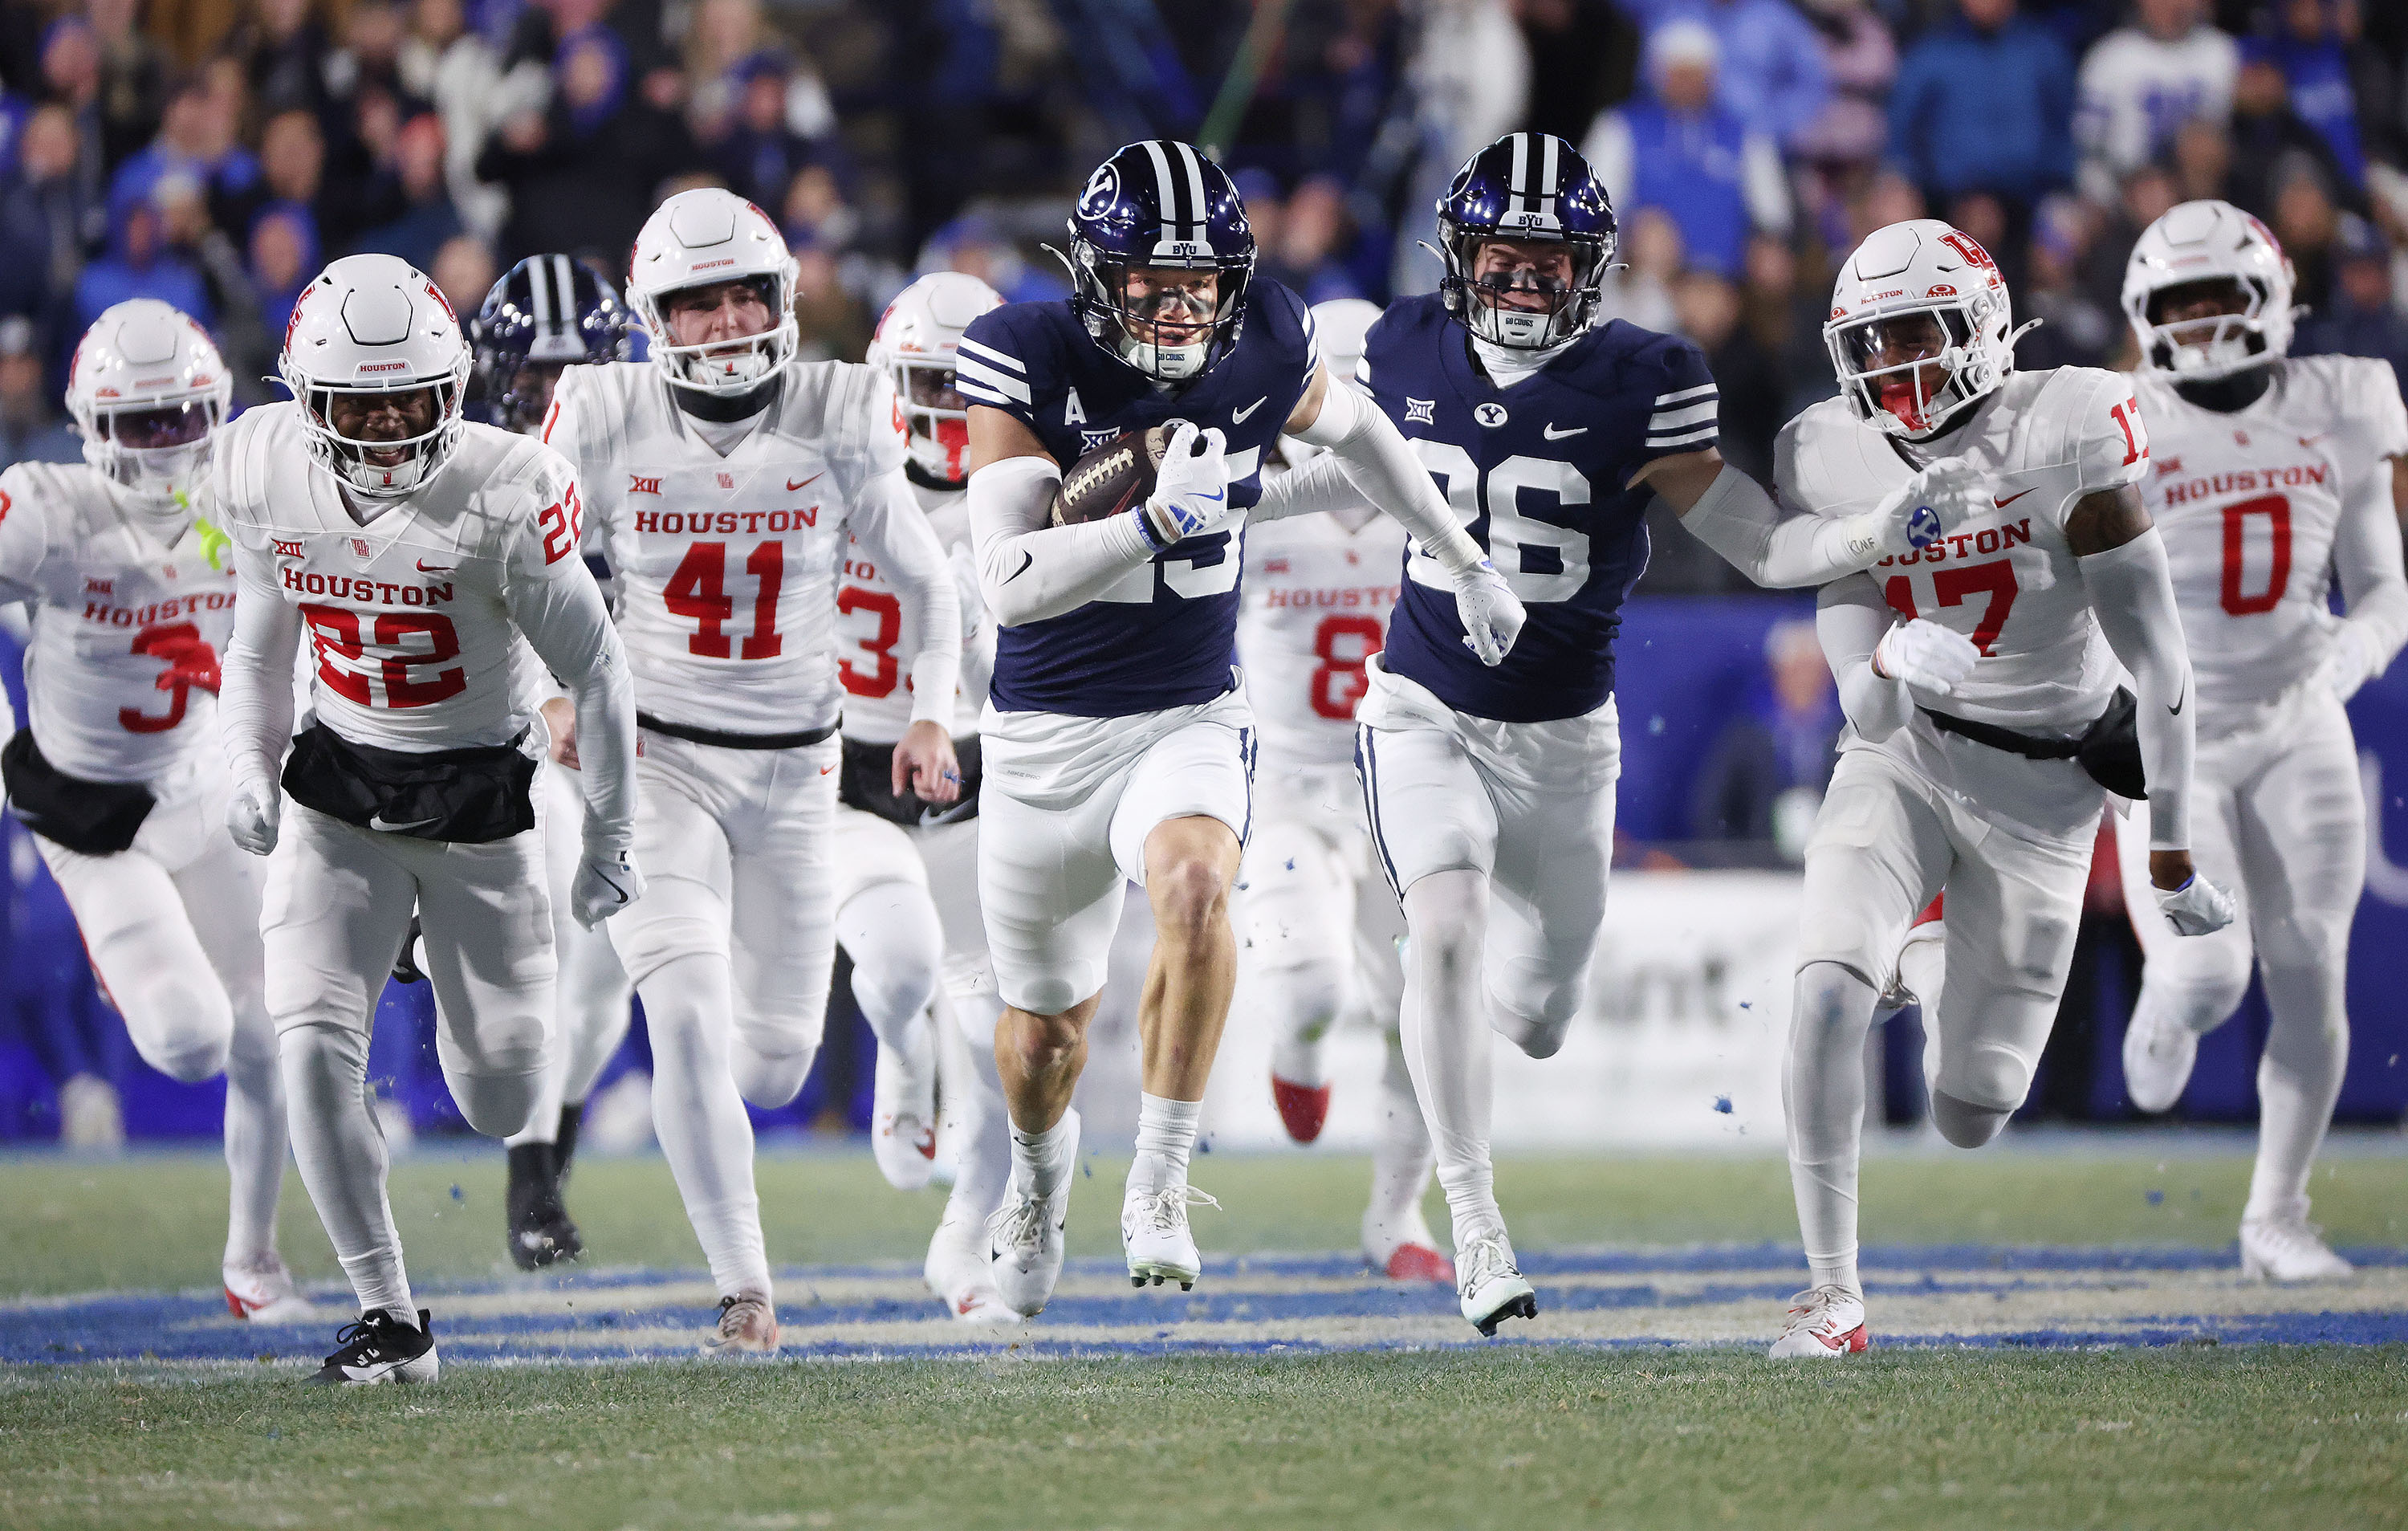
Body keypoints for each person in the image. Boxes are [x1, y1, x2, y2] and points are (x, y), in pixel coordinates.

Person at [1255, 135, 1980, 1336]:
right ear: (1463, 255)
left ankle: (1455, 1095)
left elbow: (1754, 537)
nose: (1525, 283)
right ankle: (1473, 1222)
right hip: (1422, 703)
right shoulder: (1396, 346)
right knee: (1441, 926)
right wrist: (1213, 497)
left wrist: (1868, 536)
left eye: (1550, 263)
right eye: (1505, 257)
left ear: (1590, 270)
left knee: (1537, 1013)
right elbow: (1351, 472)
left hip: (1563, 739)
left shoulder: (1648, 375)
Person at [954, 138, 1527, 1319]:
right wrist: (1145, 519)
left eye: (1200, 282)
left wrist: (1465, 560)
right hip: (1043, 735)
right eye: (1153, 282)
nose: (1180, 307)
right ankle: (1036, 1189)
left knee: (1199, 883)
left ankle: (1159, 1181)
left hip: (1185, 712)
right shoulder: (1027, 353)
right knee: (1043, 1040)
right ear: (1097, 275)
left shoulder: (1268, 333)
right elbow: (1007, 579)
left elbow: (1364, 434)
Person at [1768, 218, 2235, 1358]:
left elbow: (2164, 662)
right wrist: (1875, 662)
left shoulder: (2071, 426)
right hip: (1913, 751)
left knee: (1972, 1108)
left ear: (1980, 328)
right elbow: (1854, 648)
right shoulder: (1829, 445)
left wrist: (2167, 851)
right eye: (1871, 348)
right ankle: (1832, 1297)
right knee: (1824, 988)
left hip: (2046, 792)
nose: (1895, 371)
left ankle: (1924, 955)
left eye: (1918, 336)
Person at [542, 189, 961, 1355]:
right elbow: (520, 567)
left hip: (797, 775)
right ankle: (746, 1288)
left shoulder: (840, 410)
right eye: (696, 300)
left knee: (773, 1064)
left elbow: (927, 584)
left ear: (784, 302)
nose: (726, 320)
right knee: (679, 1013)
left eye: (745, 295)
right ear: (651, 318)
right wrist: (546, 689)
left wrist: (929, 714)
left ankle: (725, 1044)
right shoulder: (602, 411)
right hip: (654, 759)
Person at [215, 253, 643, 1385]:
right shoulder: (263, 467)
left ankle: (437, 964)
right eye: (365, 400)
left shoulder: (510, 485)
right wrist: (248, 765)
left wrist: (607, 838)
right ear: (308, 400)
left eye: (415, 394)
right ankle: (390, 1314)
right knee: (307, 1041)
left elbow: (598, 672)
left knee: (503, 1092)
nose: (395, 422)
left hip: (477, 801)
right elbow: (258, 640)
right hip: (339, 789)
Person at [2113, 200, 2406, 1281]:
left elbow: (2385, 590)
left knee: (2311, 970)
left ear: (2272, 298)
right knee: (2208, 979)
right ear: (2143, 316)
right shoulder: (2111, 420)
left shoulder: (2341, 400)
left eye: (2216, 299)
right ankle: (2166, 997)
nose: (2195, 326)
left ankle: (2276, 1212)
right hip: (2166, 735)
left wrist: (2348, 658)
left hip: (2296, 716)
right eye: (2175, 306)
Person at [0, 299, 306, 1321]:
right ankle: (115, 948)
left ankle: (253, 1260)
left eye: (185, 417)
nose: (169, 443)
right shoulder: (49, 508)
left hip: (200, 781)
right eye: (144, 423)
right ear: (93, 427)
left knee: (272, 1030)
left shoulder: (248, 497)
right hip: (90, 816)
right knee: (189, 1040)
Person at [1237, 296, 1450, 1285]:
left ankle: (1395, 1216)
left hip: (1401, 782)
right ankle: (1298, 1043)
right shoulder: (1251, 495)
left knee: (1426, 1005)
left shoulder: (1440, 493)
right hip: (1285, 784)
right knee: (1315, 985)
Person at [832, 271, 1015, 1321]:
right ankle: (901, 1056)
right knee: (902, 974)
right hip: (852, 775)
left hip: (978, 777)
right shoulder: (830, 472)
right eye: (925, 381)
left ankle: (965, 1251)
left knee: (1001, 1039)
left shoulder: (1031, 483)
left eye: (964, 381)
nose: (945, 405)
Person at [461, 253, 638, 1268]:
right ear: (498, 373)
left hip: (635, 728)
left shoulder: (656, 447)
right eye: (539, 377)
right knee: (562, 937)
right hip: (518, 731)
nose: (562, 398)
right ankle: (531, 1181)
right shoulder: (473, 460)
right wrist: (546, 695)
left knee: (611, 977)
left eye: (583, 372)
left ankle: (545, 1165)